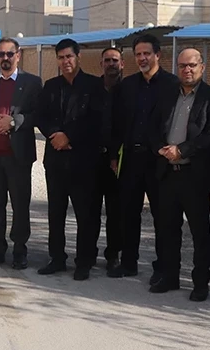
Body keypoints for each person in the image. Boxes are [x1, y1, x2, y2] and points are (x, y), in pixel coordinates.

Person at [149, 48, 210, 301]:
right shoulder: (166, 94)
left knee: (199, 232)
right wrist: (159, 148)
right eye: (182, 65)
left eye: (192, 65)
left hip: (195, 176)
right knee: (168, 229)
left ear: (202, 67)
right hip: (167, 173)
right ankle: (170, 276)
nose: (187, 70)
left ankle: (201, 283)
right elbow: (152, 128)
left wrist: (181, 150)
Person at [108, 35, 179, 281]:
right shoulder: (127, 86)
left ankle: (162, 267)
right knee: (128, 214)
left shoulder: (172, 85)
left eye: (146, 53)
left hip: (159, 160)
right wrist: (114, 154)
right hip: (131, 159)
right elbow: (117, 123)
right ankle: (129, 262)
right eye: (138, 54)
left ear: (158, 55)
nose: (142, 58)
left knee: (162, 216)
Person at [36, 39, 105, 280]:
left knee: (85, 215)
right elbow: (40, 116)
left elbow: (96, 120)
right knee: (56, 213)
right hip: (55, 160)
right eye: (61, 57)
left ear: (78, 57)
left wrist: (69, 137)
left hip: (83, 162)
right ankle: (57, 258)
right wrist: (54, 135)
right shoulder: (51, 86)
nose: (65, 61)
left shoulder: (94, 86)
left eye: (69, 56)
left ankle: (83, 262)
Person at [0, 37, 42, 270]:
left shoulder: (32, 82)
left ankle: (20, 251)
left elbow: (38, 115)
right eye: (1, 54)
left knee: (20, 206)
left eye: (9, 54)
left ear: (18, 55)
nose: (5, 58)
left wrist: (14, 122)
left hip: (18, 156)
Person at [98, 47, 124, 271]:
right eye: (107, 60)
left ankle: (113, 255)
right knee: (90, 211)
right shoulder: (92, 89)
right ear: (101, 64)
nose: (111, 64)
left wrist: (115, 156)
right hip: (93, 160)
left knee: (116, 212)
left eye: (115, 60)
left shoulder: (129, 90)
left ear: (122, 64)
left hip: (118, 162)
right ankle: (87, 254)